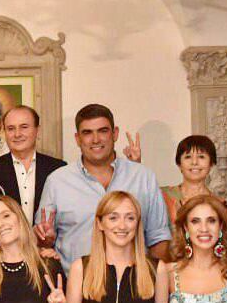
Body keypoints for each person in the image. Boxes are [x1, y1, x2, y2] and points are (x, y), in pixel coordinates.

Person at [36, 104, 170, 269]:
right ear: (78, 139)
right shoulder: (57, 181)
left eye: (103, 131)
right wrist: (44, 240)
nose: (96, 139)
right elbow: (42, 239)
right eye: (87, 133)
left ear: (115, 134)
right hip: (76, 287)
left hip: (134, 286)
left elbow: (158, 237)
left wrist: (155, 280)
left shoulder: (143, 177)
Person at [0, 105, 67, 222]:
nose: (17, 134)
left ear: (37, 130)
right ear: (4, 132)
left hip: (48, 240)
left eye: (24, 127)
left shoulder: (58, 168)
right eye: (11, 128)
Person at [160, 135, 221, 226]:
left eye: (201, 157)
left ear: (211, 164)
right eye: (188, 157)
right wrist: (136, 167)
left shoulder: (220, 204)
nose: (194, 162)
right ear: (179, 164)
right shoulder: (162, 196)